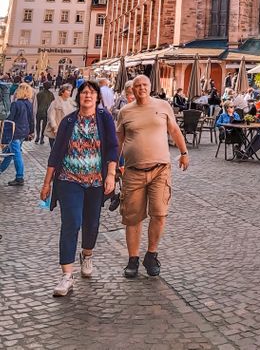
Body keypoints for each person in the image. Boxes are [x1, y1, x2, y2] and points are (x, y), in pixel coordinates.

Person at [40, 80, 119, 297]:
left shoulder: (105, 119)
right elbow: (55, 153)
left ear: (97, 98)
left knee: (91, 223)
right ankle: (66, 275)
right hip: (69, 180)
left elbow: (113, 147)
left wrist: (111, 174)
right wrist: (47, 183)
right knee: (71, 223)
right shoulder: (68, 121)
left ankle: (87, 253)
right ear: (78, 97)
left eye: (91, 93)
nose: (87, 96)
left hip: (95, 181)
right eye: (84, 92)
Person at [116, 74, 189, 279]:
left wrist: (184, 153)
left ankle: (151, 254)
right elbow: (118, 140)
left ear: (150, 87)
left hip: (160, 170)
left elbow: (174, 130)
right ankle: (133, 259)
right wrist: (112, 167)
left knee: (159, 213)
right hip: (133, 172)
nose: (141, 88)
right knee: (133, 217)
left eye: (144, 85)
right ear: (132, 89)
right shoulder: (125, 111)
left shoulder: (163, 106)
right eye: (137, 86)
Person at [0, 82, 34, 185]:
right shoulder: (28, 103)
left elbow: (10, 120)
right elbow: (31, 119)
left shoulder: (16, 104)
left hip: (15, 133)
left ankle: (20, 177)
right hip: (24, 132)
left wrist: (3, 137)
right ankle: (0, 170)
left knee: (16, 154)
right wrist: (31, 131)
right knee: (10, 153)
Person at [46, 85, 76, 150]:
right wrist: (55, 127)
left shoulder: (71, 102)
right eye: (68, 90)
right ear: (62, 92)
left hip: (67, 130)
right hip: (56, 130)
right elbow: (51, 116)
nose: (70, 92)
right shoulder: (55, 102)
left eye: (70, 91)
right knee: (55, 150)